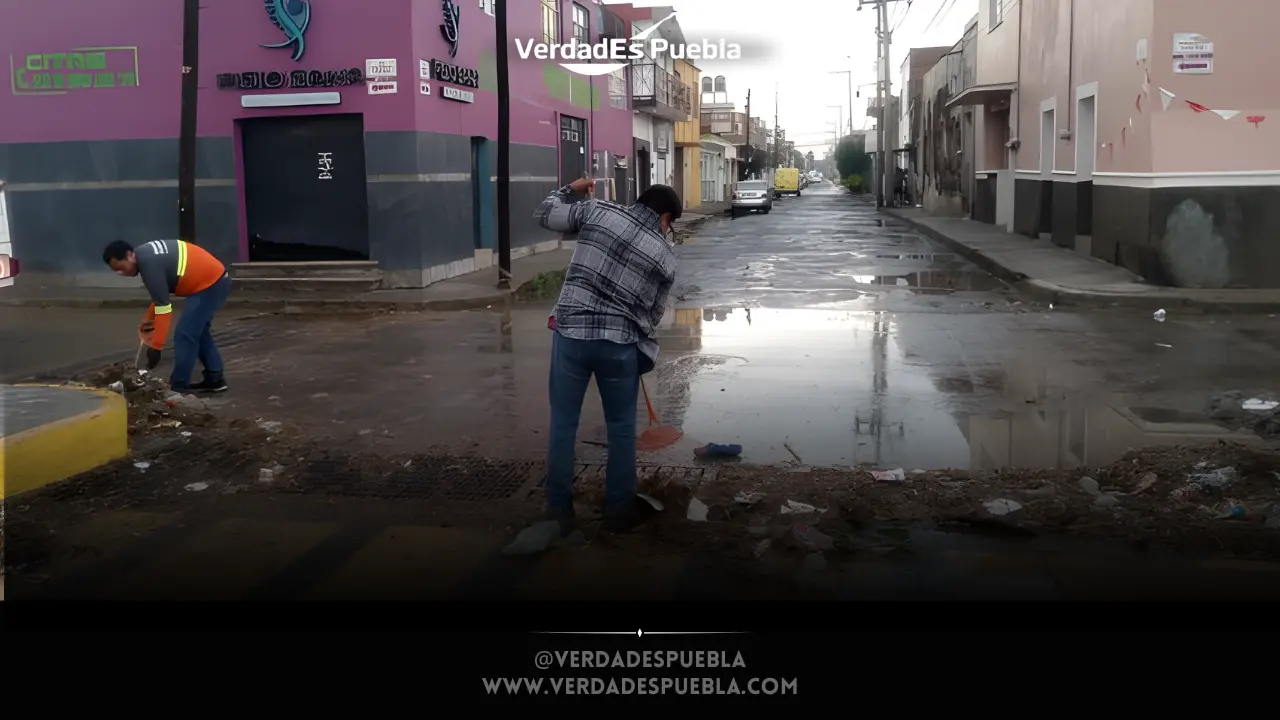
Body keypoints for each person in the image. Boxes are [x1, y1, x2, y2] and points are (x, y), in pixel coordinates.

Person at [534, 178, 680, 534]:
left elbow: (545, 214)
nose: (669, 230)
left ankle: (558, 513)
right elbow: (654, 314)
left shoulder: (597, 211)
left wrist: (570, 189)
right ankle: (618, 511)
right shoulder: (665, 256)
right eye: (670, 223)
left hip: (572, 337)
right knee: (621, 429)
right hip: (620, 346)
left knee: (563, 425)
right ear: (664, 217)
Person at [102, 239, 232, 393]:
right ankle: (215, 379)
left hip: (211, 285)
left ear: (130, 255)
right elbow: (159, 298)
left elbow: (164, 308)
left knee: (185, 335)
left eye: (121, 268)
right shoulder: (145, 257)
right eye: (117, 271)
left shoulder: (149, 265)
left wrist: (156, 347)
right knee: (198, 332)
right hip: (214, 280)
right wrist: (148, 321)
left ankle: (179, 385)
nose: (122, 273)